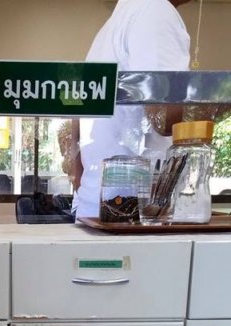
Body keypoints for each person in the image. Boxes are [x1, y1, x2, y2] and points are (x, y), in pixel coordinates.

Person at [73, 0, 193, 220]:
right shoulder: (155, 11)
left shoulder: (114, 25)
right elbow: (165, 118)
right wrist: (214, 104)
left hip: (101, 208)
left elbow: (77, 129)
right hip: (134, 213)